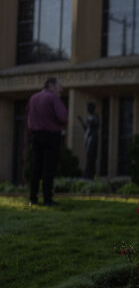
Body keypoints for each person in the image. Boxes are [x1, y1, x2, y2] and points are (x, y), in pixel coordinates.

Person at [27, 77, 68, 206]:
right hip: (51, 136)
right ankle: (47, 199)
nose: (61, 89)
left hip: (35, 136)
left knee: (36, 167)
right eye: (59, 86)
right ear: (50, 86)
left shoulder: (33, 98)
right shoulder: (53, 98)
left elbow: (28, 116)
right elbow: (62, 117)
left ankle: (32, 199)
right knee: (48, 169)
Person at [77, 102, 99, 179]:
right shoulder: (90, 117)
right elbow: (86, 128)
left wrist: (90, 122)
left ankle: (90, 173)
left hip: (92, 138)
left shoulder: (95, 117)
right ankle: (88, 173)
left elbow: (95, 125)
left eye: (88, 107)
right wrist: (81, 120)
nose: (87, 109)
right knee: (88, 156)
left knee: (91, 156)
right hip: (88, 138)